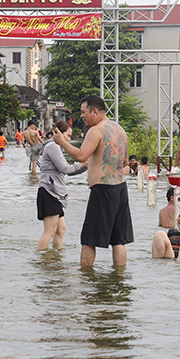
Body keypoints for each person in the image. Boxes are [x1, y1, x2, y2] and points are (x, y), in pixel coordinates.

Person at [53, 95, 133, 267]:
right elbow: (124, 163)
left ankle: (86, 279)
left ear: (95, 111)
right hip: (120, 188)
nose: (82, 116)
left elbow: (81, 155)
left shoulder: (96, 130)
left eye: (84, 112)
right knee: (118, 240)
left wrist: (62, 142)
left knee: (88, 240)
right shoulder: (120, 130)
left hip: (103, 191)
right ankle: (119, 280)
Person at [37, 121, 87, 250]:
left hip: (54, 192)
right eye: (68, 135)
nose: (69, 139)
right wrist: (81, 164)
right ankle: (41, 259)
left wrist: (84, 167)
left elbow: (68, 171)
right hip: (49, 192)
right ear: (58, 133)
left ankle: (56, 257)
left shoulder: (56, 147)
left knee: (60, 229)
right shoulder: (53, 146)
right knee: (50, 230)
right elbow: (65, 168)